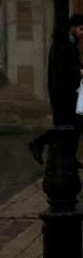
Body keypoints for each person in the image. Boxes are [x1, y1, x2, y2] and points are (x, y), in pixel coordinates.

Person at [27, 14, 83, 163]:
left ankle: (69, 156)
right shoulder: (62, 44)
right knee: (66, 125)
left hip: (71, 92)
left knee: (74, 125)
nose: (82, 33)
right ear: (73, 28)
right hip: (63, 94)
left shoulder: (70, 43)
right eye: (81, 29)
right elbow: (62, 70)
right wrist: (78, 71)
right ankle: (38, 143)